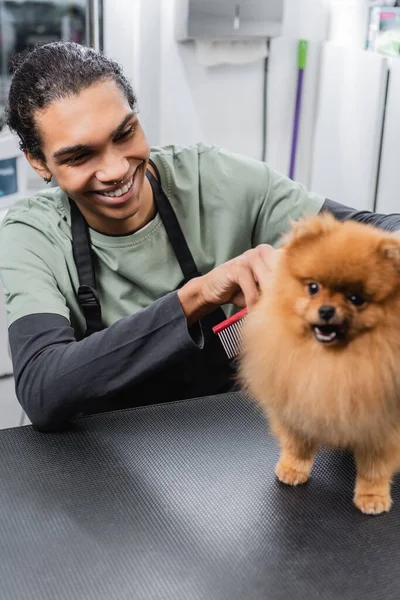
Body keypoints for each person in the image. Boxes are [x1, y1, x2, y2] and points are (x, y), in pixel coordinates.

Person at [0, 42, 399, 432]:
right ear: (39, 162)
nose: (116, 169)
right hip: (110, 463)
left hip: (231, 436)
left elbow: (370, 228)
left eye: (124, 134)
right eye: (79, 156)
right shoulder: (31, 235)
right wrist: (198, 296)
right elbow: (43, 389)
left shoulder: (214, 178)